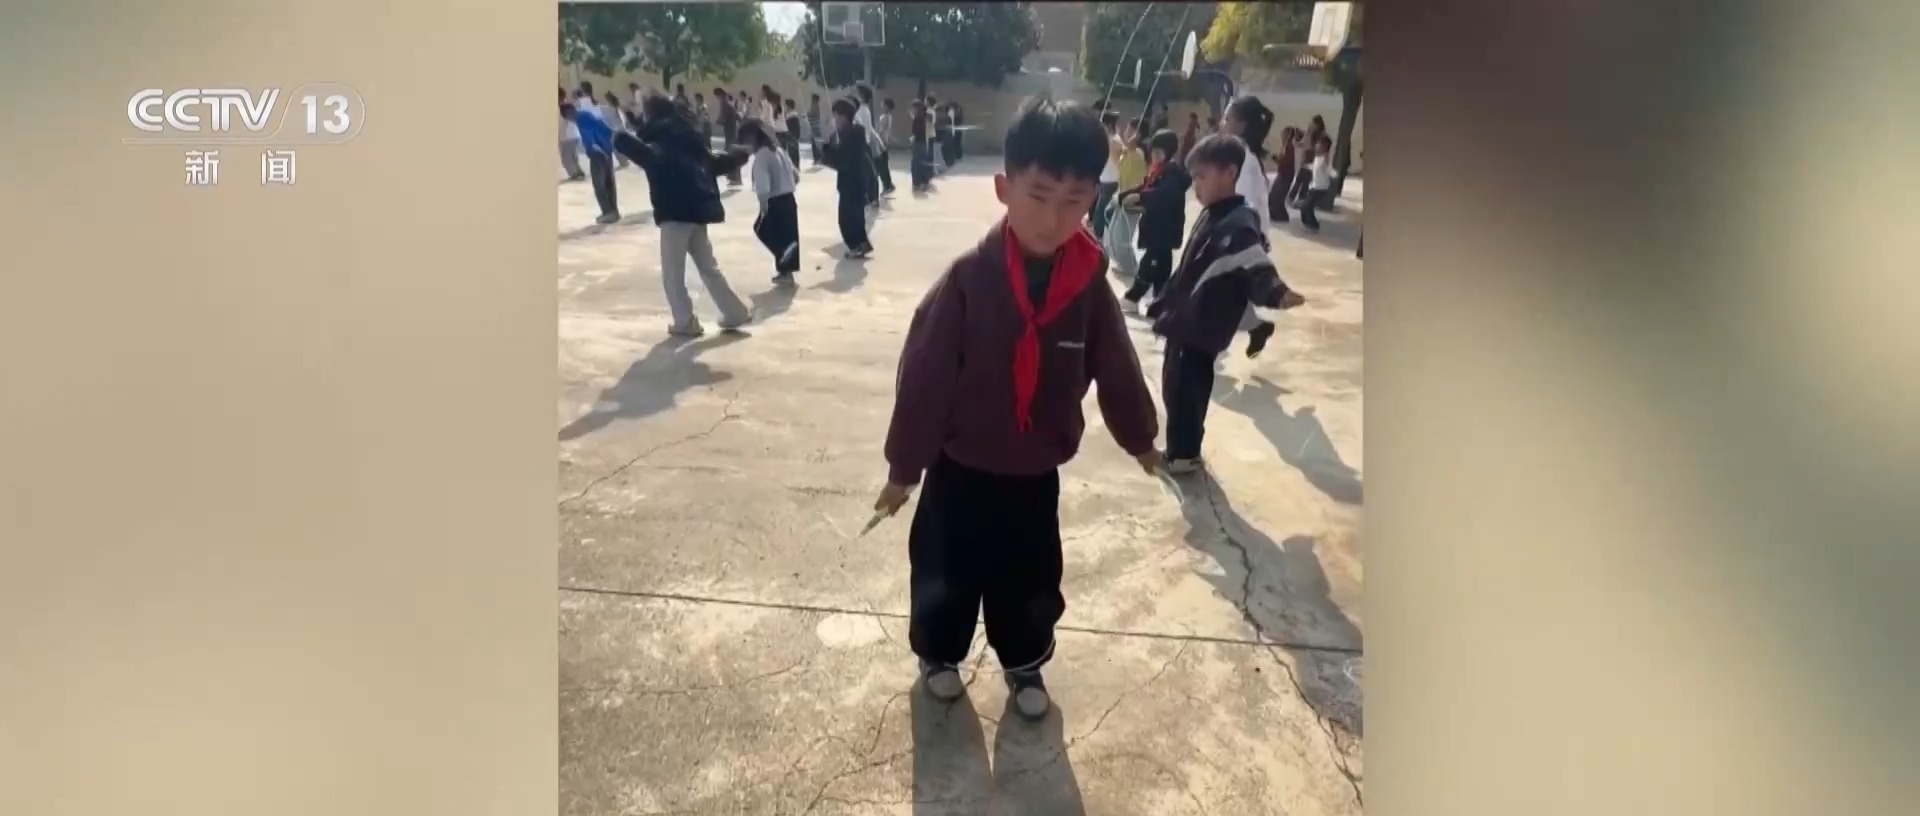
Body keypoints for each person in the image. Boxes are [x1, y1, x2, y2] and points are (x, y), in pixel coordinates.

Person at [875, 97, 1160, 720]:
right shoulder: (966, 282)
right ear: (1004, 189)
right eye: (1039, 196)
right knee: (946, 572)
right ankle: (940, 656)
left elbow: (1116, 365)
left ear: (1093, 199)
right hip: (960, 467)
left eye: (1074, 200)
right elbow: (924, 379)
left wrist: (1141, 438)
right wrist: (903, 469)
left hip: (1034, 473)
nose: (1054, 219)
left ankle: (1025, 662)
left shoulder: (1087, 285)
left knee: (1029, 578)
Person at [1146, 133, 1306, 475]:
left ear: (1229, 173)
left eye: (1202, 177)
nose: (1196, 185)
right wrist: (1166, 300)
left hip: (1200, 325)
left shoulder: (1238, 223)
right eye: (1194, 178)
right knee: (1175, 385)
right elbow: (1191, 266)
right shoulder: (1213, 214)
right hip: (1187, 319)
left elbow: (1255, 264)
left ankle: (1183, 455)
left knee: (1186, 391)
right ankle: (1182, 447)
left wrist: (1276, 292)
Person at [610, 93, 756, 336]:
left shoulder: (659, 140)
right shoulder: (689, 136)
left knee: (673, 274)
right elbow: (714, 163)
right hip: (697, 210)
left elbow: (647, 156)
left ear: (651, 113)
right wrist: (737, 156)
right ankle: (735, 313)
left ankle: (685, 321)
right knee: (709, 268)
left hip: (674, 213)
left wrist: (620, 138)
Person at [1219, 94, 1280, 357]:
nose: (1222, 123)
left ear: (1241, 125)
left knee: (1220, 289)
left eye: (1227, 118)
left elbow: (1242, 203)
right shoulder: (1240, 153)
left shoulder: (1242, 157)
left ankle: (1249, 329)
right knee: (1226, 291)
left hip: (1246, 235)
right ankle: (1256, 327)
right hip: (1247, 233)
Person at [1117, 129, 1190, 308]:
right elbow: (1146, 186)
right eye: (1153, 152)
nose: (1154, 156)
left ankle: (1133, 298)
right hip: (1157, 229)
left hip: (1163, 229)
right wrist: (1124, 196)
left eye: (1158, 152)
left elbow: (1162, 195)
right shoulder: (1159, 171)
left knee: (1149, 265)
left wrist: (1140, 197)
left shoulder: (1173, 175)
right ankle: (1161, 302)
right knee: (1161, 269)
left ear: (1167, 153)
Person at [742, 119, 802, 282]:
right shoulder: (778, 150)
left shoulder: (762, 156)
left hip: (775, 201)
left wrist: (763, 205)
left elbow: (763, 186)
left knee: (762, 229)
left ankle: (784, 261)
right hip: (789, 199)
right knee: (787, 235)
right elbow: (796, 176)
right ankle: (787, 273)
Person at [818, 97, 876, 259]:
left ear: (842, 117)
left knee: (847, 219)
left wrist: (826, 148)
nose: (834, 119)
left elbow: (841, 161)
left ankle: (856, 246)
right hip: (858, 182)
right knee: (856, 216)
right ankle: (862, 244)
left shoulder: (849, 135)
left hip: (851, 183)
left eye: (835, 115)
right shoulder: (855, 131)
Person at [565, 99, 620, 225]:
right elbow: (604, 128)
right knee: (609, 182)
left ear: (568, 114)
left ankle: (607, 212)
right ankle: (614, 211)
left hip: (597, 153)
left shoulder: (580, 120)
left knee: (599, 185)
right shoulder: (587, 114)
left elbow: (588, 137)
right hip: (606, 148)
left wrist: (592, 148)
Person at [850, 83, 887, 207]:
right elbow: (870, 128)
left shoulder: (862, 110)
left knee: (868, 173)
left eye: (856, 92)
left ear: (861, 95)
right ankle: (869, 197)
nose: (853, 93)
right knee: (866, 172)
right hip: (862, 144)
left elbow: (866, 128)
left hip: (861, 144)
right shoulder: (862, 109)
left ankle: (872, 198)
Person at [1089, 110, 1122, 240]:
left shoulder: (1114, 140)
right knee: (1100, 208)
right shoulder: (1110, 139)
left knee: (1101, 209)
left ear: (1108, 125)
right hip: (1105, 178)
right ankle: (1099, 234)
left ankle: (1099, 236)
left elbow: (1116, 157)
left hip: (1111, 179)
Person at [1298, 133, 1335, 231]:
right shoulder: (1317, 157)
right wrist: (1306, 166)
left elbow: (1329, 169)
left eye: (1319, 144)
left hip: (1320, 187)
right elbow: (1315, 168)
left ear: (1324, 146)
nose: (1317, 146)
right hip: (1315, 186)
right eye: (1317, 143)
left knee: (1306, 206)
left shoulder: (1325, 158)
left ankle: (1312, 224)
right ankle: (1311, 223)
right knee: (1307, 206)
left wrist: (1334, 174)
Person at [714, 88, 743, 188]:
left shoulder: (724, 104)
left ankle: (735, 178)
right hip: (732, 132)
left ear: (719, 95)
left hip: (730, 133)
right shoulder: (729, 104)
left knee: (731, 155)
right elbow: (738, 117)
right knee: (731, 154)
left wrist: (718, 122)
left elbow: (722, 117)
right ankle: (734, 177)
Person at [558, 91, 585, 182]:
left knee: (566, 158)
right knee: (573, 156)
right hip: (575, 135)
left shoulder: (559, 108)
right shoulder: (569, 106)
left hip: (566, 137)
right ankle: (579, 171)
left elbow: (560, 125)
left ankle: (574, 174)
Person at [600, 91, 631, 169]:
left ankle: (623, 162)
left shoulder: (608, 109)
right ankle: (625, 160)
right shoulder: (617, 107)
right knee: (623, 146)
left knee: (615, 148)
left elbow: (607, 120)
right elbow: (624, 119)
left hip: (615, 130)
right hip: (621, 128)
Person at [908, 98, 933, 193]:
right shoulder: (924, 118)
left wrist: (912, 141)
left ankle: (917, 183)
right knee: (921, 163)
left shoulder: (918, 119)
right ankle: (924, 182)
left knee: (916, 164)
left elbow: (916, 132)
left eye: (914, 108)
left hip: (918, 143)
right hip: (923, 143)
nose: (913, 110)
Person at [874, 98, 898, 196]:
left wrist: (875, 139)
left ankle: (887, 185)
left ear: (887, 106)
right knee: (884, 165)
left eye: (883, 104)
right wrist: (892, 139)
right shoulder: (889, 117)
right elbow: (888, 131)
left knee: (881, 166)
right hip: (885, 142)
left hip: (881, 143)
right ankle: (888, 184)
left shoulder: (884, 117)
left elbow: (880, 131)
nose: (881, 105)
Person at [807, 93, 825, 166]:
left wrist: (807, 114)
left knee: (815, 143)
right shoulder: (816, 106)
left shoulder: (815, 106)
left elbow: (812, 114)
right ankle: (817, 158)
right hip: (814, 126)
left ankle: (818, 158)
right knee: (815, 143)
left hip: (814, 126)